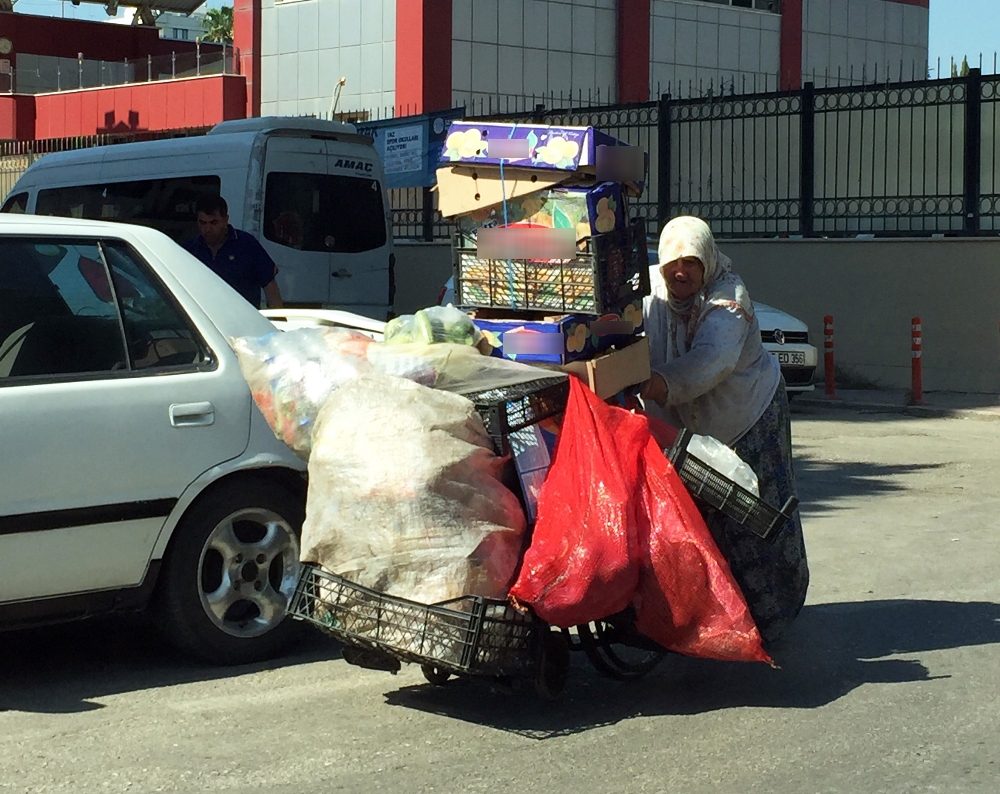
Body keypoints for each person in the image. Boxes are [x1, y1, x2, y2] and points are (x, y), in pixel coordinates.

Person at [639, 215, 809, 644]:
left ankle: (771, 616)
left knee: (756, 516)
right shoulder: (651, 294)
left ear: (708, 263)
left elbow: (710, 362)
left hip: (748, 416)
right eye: (673, 263)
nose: (681, 272)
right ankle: (716, 615)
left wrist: (655, 384)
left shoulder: (729, 299)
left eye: (691, 263)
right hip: (691, 425)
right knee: (702, 519)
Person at [183, 195, 283, 309]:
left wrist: (277, 317)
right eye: (203, 223)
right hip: (203, 316)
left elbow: (271, 288)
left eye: (214, 223)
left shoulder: (247, 245)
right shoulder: (191, 249)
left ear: (225, 220)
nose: (208, 229)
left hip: (243, 316)